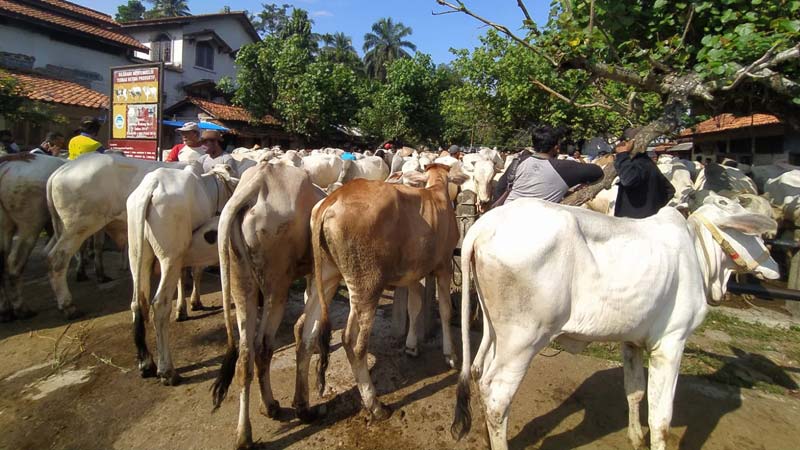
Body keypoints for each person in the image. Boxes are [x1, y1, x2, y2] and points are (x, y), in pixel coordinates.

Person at [500, 125, 604, 204]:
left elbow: (499, 190)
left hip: (504, 216)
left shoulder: (518, 161)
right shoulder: (564, 167)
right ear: (556, 147)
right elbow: (597, 171)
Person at [613, 139, 675, 219]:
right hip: (648, 223)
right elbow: (670, 190)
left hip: (631, 225)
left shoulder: (636, 164)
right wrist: (652, 209)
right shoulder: (649, 163)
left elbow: (628, 180)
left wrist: (622, 154)